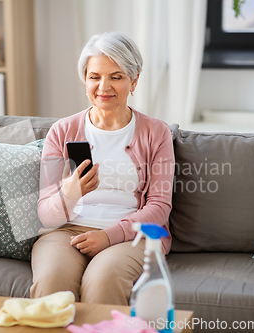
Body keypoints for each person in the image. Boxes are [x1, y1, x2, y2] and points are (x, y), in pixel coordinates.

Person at [31, 31, 175, 306]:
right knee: (52, 283)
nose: (103, 86)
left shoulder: (156, 133)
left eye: (116, 77)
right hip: (67, 232)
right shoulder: (62, 131)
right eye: (94, 76)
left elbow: (159, 208)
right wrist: (69, 194)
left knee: (103, 280)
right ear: (84, 79)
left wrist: (108, 236)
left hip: (131, 237)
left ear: (134, 80)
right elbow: (46, 216)